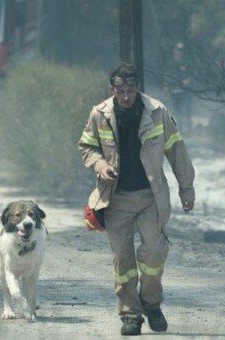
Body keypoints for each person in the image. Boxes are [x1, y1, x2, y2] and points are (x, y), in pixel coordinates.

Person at [78, 62, 195, 336]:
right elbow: (86, 146)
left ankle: (152, 305)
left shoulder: (157, 112)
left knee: (154, 253)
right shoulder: (99, 114)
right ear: (113, 90)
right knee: (123, 259)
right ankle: (130, 315)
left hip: (150, 198)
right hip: (116, 199)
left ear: (138, 87)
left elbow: (177, 151)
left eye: (130, 90)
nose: (126, 96)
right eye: (121, 91)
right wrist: (99, 166)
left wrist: (186, 190)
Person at [164, 42, 193, 131]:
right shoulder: (170, 63)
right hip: (174, 91)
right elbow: (167, 75)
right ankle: (178, 129)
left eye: (181, 50)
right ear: (174, 51)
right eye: (178, 49)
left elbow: (192, 75)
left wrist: (187, 82)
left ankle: (188, 129)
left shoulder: (187, 62)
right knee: (176, 111)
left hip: (185, 92)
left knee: (187, 111)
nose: (180, 52)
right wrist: (165, 86)